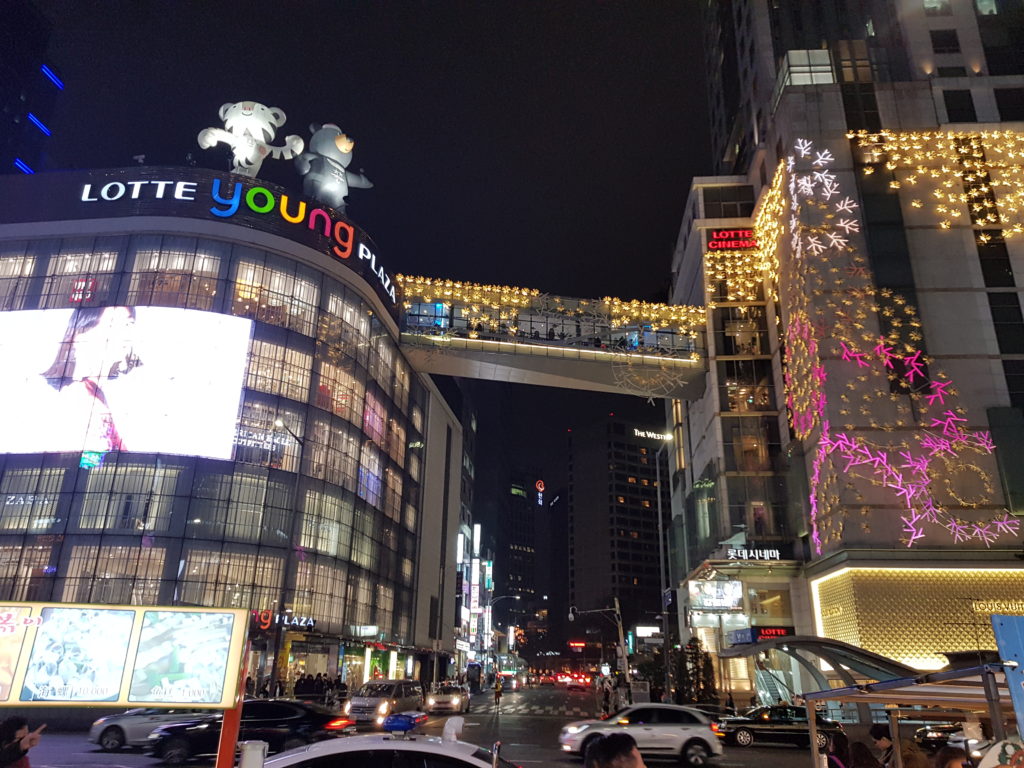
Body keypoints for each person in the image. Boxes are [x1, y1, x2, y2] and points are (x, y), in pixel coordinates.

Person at [39, 306, 142, 452]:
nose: (123, 334)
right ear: (79, 335)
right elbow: (87, 464)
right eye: (112, 324)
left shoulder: (111, 395)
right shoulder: (75, 398)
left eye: (128, 324)